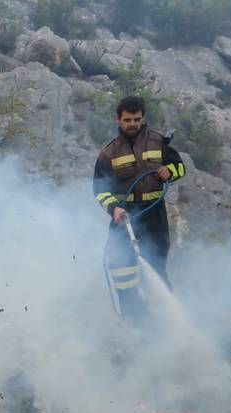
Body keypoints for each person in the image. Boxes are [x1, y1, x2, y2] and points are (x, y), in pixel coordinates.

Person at [93, 96, 185, 317]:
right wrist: (113, 208)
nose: (132, 124)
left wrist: (170, 172)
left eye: (136, 119)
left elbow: (180, 168)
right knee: (121, 266)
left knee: (155, 265)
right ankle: (134, 316)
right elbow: (99, 189)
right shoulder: (109, 152)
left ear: (143, 118)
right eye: (127, 119)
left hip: (154, 215)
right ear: (118, 120)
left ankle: (162, 316)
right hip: (125, 216)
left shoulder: (159, 142)